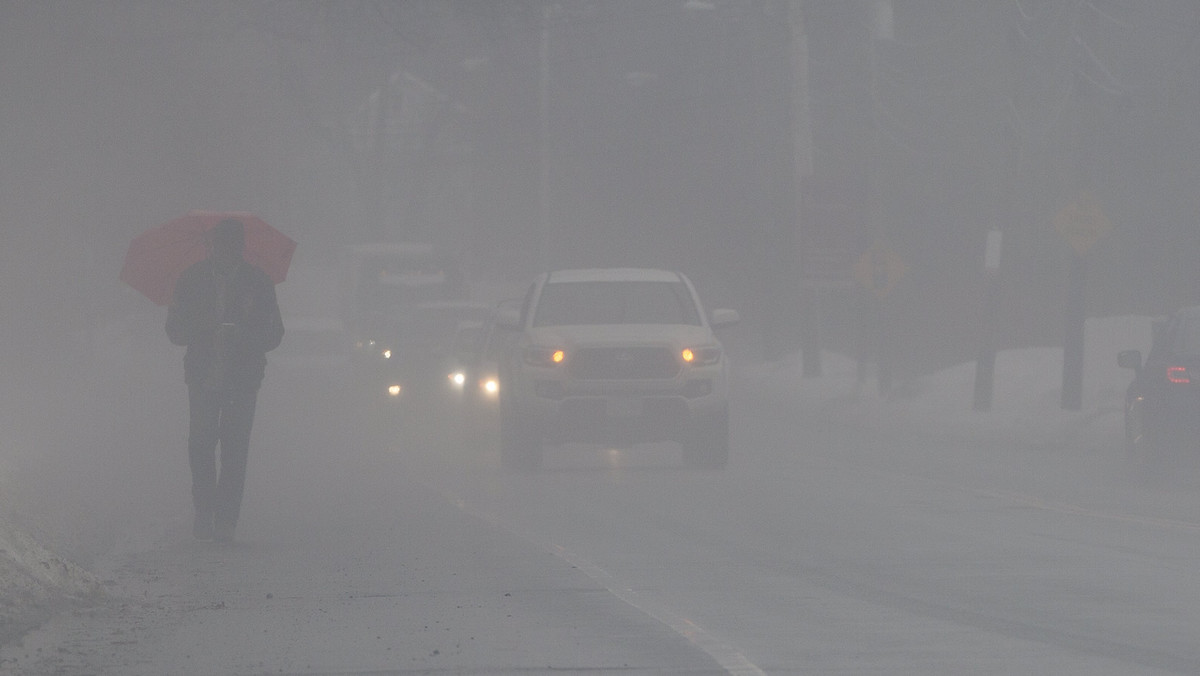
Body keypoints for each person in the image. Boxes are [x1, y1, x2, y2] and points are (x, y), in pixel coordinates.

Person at [166, 219, 284, 542]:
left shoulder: (259, 283)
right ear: (212, 246)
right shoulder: (191, 280)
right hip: (203, 377)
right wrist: (204, 328)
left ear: (240, 247)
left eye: (231, 246)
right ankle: (204, 512)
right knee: (200, 446)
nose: (225, 252)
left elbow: (275, 333)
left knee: (234, 451)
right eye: (220, 245)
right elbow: (174, 330)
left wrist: (243, 336)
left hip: (242, 381)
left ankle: (226, 521)